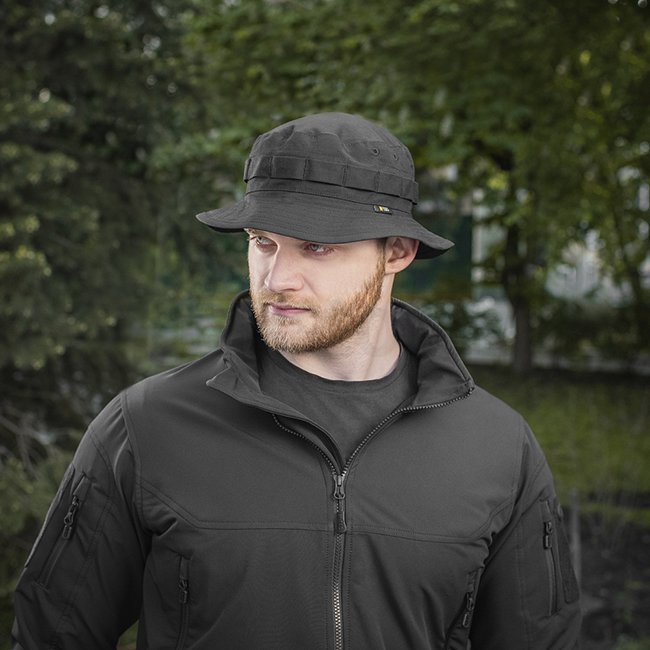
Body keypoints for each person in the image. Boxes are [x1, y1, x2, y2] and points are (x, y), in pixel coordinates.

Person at [12, 112, 581, 649]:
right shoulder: (146, 425)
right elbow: (52, 634)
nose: (277, 277)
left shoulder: (496, 448)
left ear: (397, 252)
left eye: (317, 247)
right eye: (263, 241)